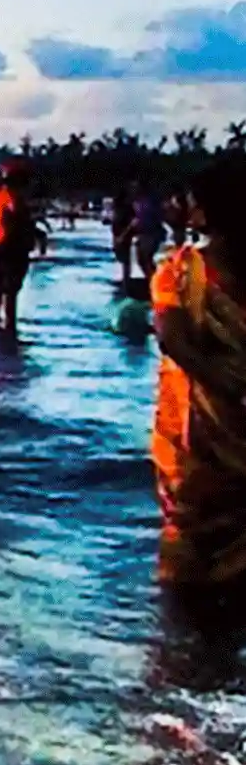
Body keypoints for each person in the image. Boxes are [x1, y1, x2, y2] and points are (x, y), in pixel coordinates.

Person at [149, 156, 246, 598]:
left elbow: (171, 338)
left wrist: (222, 383)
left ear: (204, 213)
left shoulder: (179, 271)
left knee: (187, 569)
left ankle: (185, 661)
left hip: (200, 442)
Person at [0, 159, 42, 336]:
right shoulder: (14, 200)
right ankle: (9, 325)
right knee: (11, 289)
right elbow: (18, 222)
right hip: (13, 247)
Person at [112, 186, 139, 282]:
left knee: (125, 257)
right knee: (122, 256)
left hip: (123, 234)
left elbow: (132, 222)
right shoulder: (120, 208)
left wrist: (122, 235)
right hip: (119, 233)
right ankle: (126, 277)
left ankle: (126, 278)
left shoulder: (126, 208)